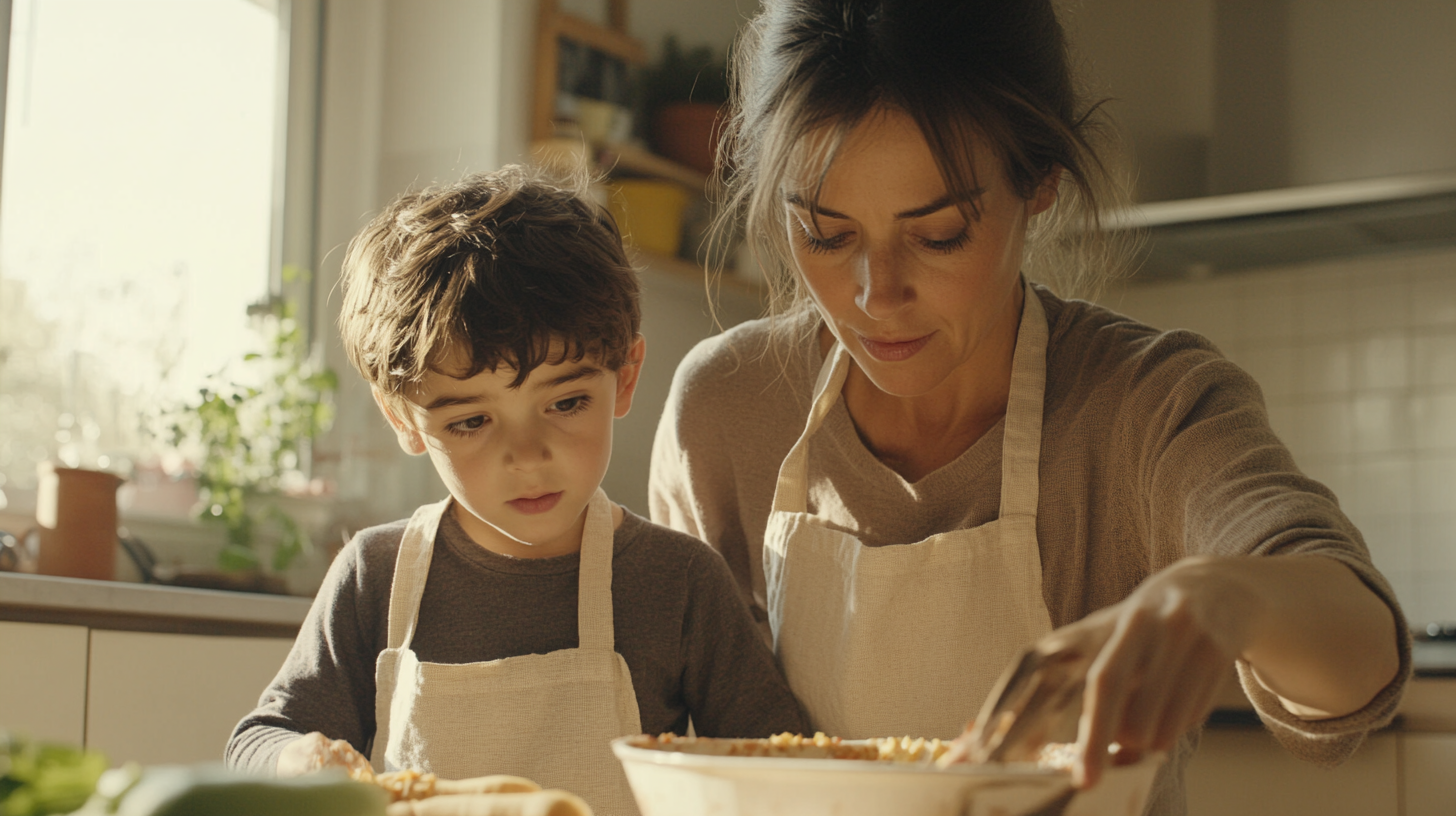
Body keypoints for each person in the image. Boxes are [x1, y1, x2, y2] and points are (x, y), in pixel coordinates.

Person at [648, 1, 1408, 813]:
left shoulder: (1144, 406)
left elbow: (1360, 655)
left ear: (1039, 181)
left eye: (938, 234)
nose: (876, 296)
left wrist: (1235, 597)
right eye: (825, 234)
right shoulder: (724, 411)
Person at [226, 165, 808, 816]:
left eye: (565, 402)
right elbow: (257, 739)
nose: (527, 456)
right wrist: (298, 759)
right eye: (471, 421)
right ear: (402, 418)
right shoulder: (375, 576)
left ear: (624, 377)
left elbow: (784, 770)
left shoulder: (677, 584)